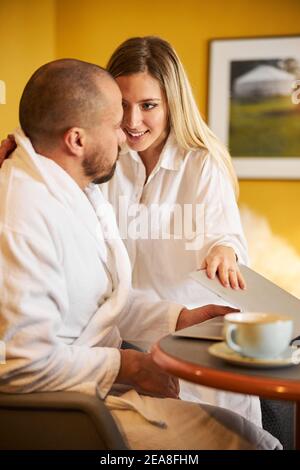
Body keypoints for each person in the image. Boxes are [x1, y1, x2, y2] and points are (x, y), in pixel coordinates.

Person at [0, 59, 280, 450]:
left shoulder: (72, 186)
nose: (125, 134)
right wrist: (128, 365)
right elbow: (20, 364)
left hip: (102, 381)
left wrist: (180, 317)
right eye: (116, 123)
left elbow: (105, 300)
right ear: (76, 140)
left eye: (146, 106)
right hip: (68, 407)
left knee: (255, 434)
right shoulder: (22, 212)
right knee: (259, 444)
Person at [102, 36, 260, 424]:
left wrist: (224, 251)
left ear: (173, 102)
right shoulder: (101, 162)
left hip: (194, 347)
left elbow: (225, 235)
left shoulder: (202, 164)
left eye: (148, 105)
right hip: (121, 351)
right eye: (122, 105)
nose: (132, 121)